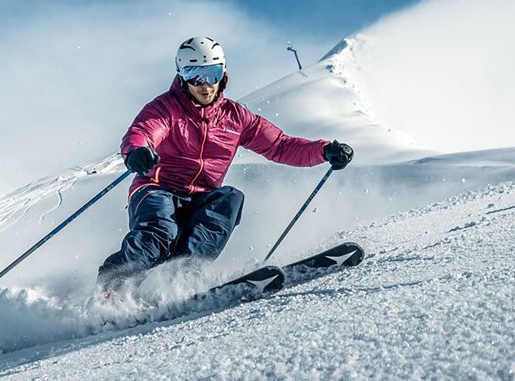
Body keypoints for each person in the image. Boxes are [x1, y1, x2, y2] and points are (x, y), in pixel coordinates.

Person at [98, 36, 353, 283]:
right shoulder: (166, 108)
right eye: (195, 75)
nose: (205, 85)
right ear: (182, 76)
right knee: (159, 234)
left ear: (223, 74)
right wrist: (138, 151)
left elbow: (279, 145)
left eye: (213, 75)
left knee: (229, 199)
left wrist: (323, 151)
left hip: (202, 197)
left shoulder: (235, 117)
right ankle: (113, 285)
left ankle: (183, 278)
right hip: (157, 188)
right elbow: (143, 132)